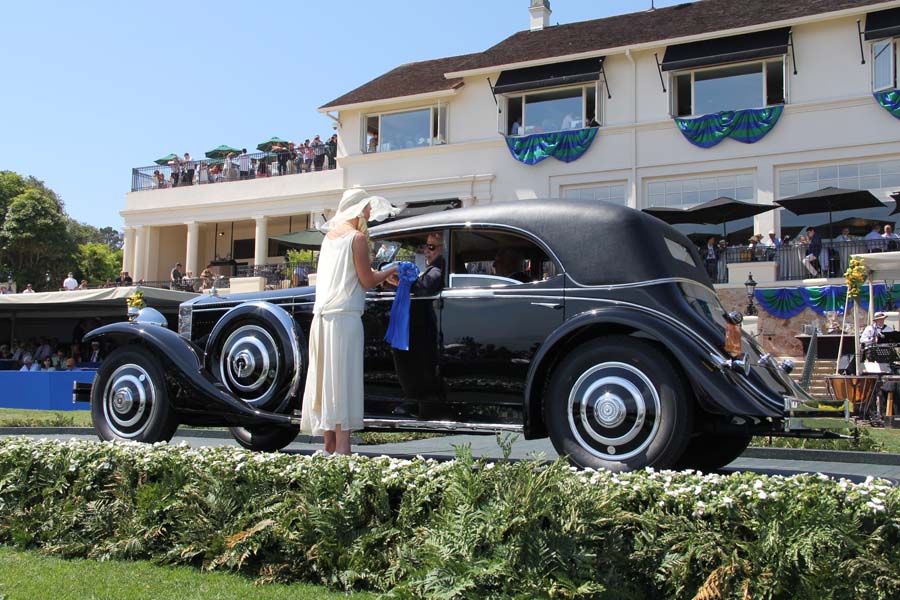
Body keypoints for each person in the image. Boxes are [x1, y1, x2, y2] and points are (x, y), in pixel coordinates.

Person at [300, 188, 398, 456]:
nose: (368, 213)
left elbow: (350, 274)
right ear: (358, 209)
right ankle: (344, 448)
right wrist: (392, 270)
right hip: (345, 319)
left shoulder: (329, 238)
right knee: (343, 379)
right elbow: (366, 281)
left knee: (328, 380)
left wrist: (379, 274)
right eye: (366, 208)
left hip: (322, 319)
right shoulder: (356, 238)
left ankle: (330, 446)